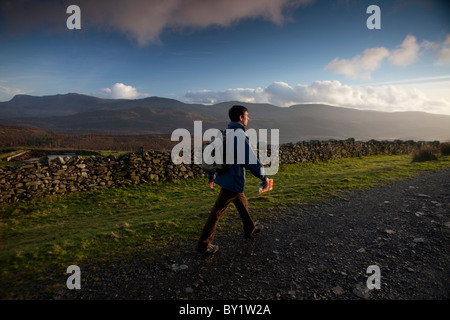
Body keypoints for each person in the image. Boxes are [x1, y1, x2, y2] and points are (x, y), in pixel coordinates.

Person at [197, 105, 270, 255]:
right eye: (247, 115)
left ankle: (250, 228)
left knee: (242, 202)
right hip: (233, 180)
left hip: (225, 177)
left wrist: (211, 176)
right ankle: (203, 245)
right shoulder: (239, 136)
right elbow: (250, 160)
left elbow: (214, 157)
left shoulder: (224, 133)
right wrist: (264, 177)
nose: (248, 118)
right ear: (240, 118)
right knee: (217, 212)